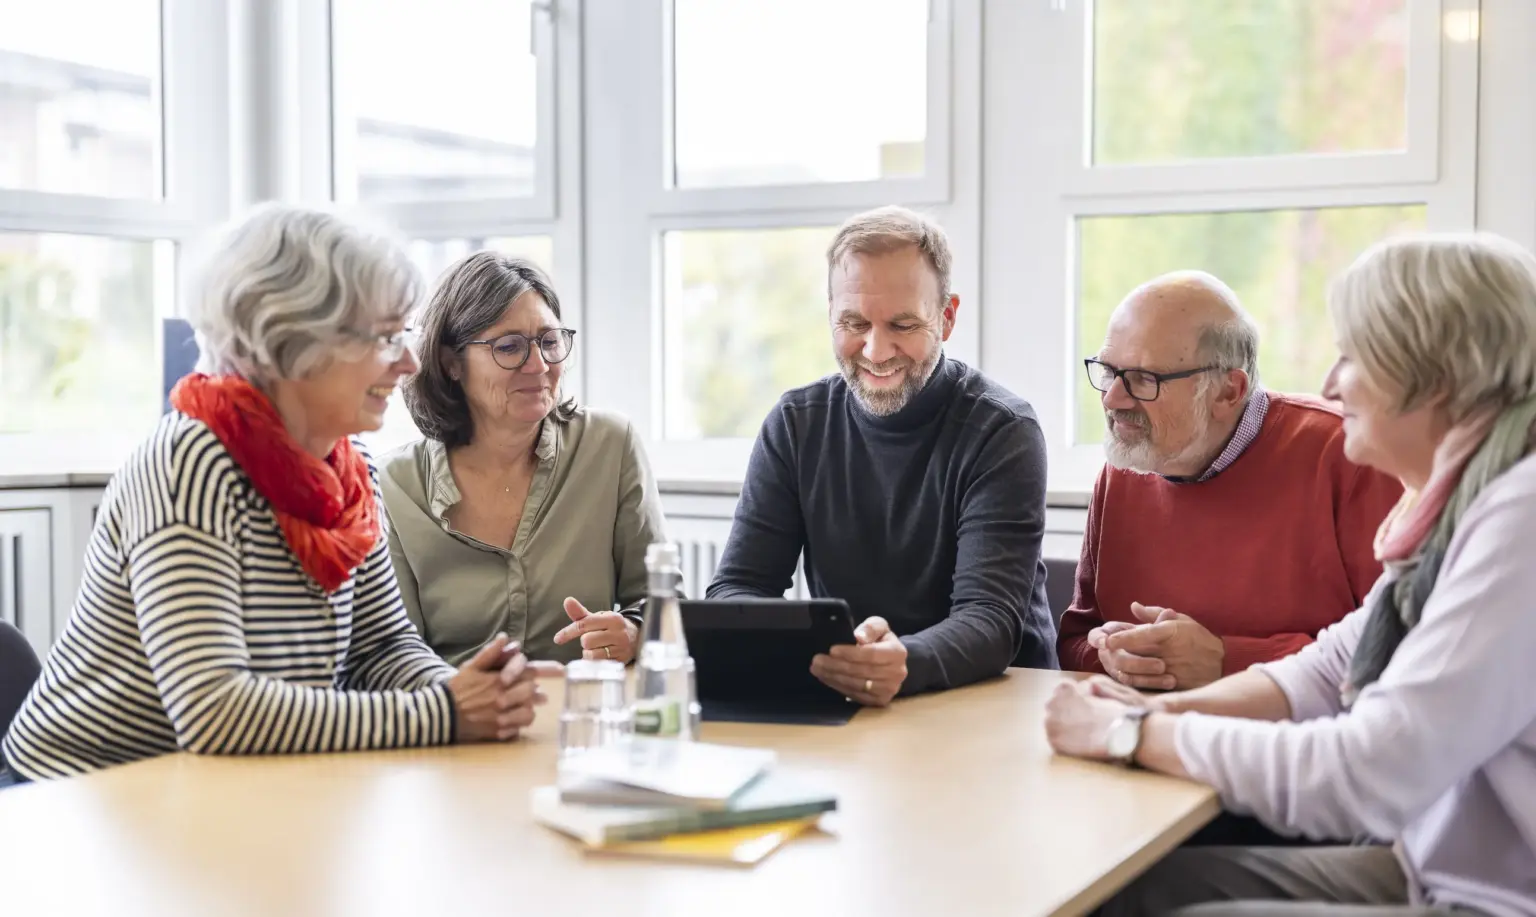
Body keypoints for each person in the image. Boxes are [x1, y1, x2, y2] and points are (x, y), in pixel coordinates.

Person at [1045, 232, 1536, 917]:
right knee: (1125, 893)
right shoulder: (1461, 505)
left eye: (1356, 356)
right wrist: (1139, 711)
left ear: (1441, 378)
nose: (1333, 383)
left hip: (1489, 896)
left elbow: (1366, 769)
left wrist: (1133, 734)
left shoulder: (1520, 517)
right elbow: (1329, 667)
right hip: (1430, 865)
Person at [0, 204, 559, 785]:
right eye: (387, 337)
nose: (411, 362)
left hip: (219, 791)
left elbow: (382, 648)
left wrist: (475, 691)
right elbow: (215, 713)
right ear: (293, 342)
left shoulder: (350, 470)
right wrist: (444, 712)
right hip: (81, 801)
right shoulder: (189, 462)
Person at [707, 205, 1055, 706]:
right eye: (854, 322)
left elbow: (989, 621)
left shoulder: (1002, 430)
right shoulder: (795, 425)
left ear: (947, 317)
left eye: (903, 324)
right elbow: (737, 590)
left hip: (994, 703)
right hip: (854, 695)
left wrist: (901, 662)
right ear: (830, 313)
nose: (875, 350)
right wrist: (813, 655)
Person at [1058, 272, 1401, 691]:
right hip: (1146, 730)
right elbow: (1076, 639)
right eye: (1109, 371)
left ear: (1228, 391)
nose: (1113, 399)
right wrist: (1112, 657)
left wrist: (1228, 661)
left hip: (1297, 742)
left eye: (1144, 379)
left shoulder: (1350, 456)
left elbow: (1401, 651)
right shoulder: (1127, 463)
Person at [380, 253, 666, 667]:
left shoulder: (610, 445)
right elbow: (394, 651)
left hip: (580, 712)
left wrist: (635, 632)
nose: (539, 365)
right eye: (509, 347)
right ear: (450, 363)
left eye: (549, 342)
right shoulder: (395, 485)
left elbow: (662, 599)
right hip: (457, 718)